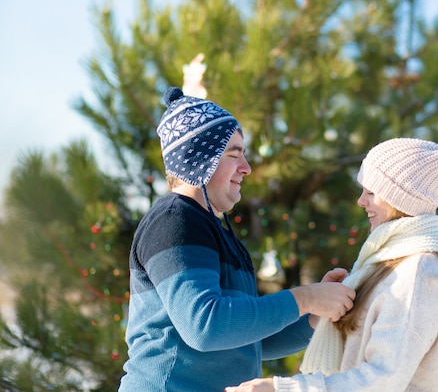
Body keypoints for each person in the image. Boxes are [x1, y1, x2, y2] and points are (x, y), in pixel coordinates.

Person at [118, 87, 355, 392]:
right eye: (234, 155)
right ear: (198, 161)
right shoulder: (174, 220)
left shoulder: (213, 229)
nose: (247, 168)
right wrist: (305, 297)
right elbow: (205, 326)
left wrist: (315, 314)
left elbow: (248, 341)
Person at [226, 137, 438, 392]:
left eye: (371, 192)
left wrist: (282, 389)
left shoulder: (417, 272)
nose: (361, 201)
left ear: (402, 199)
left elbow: (383, 379)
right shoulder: (389, 264)